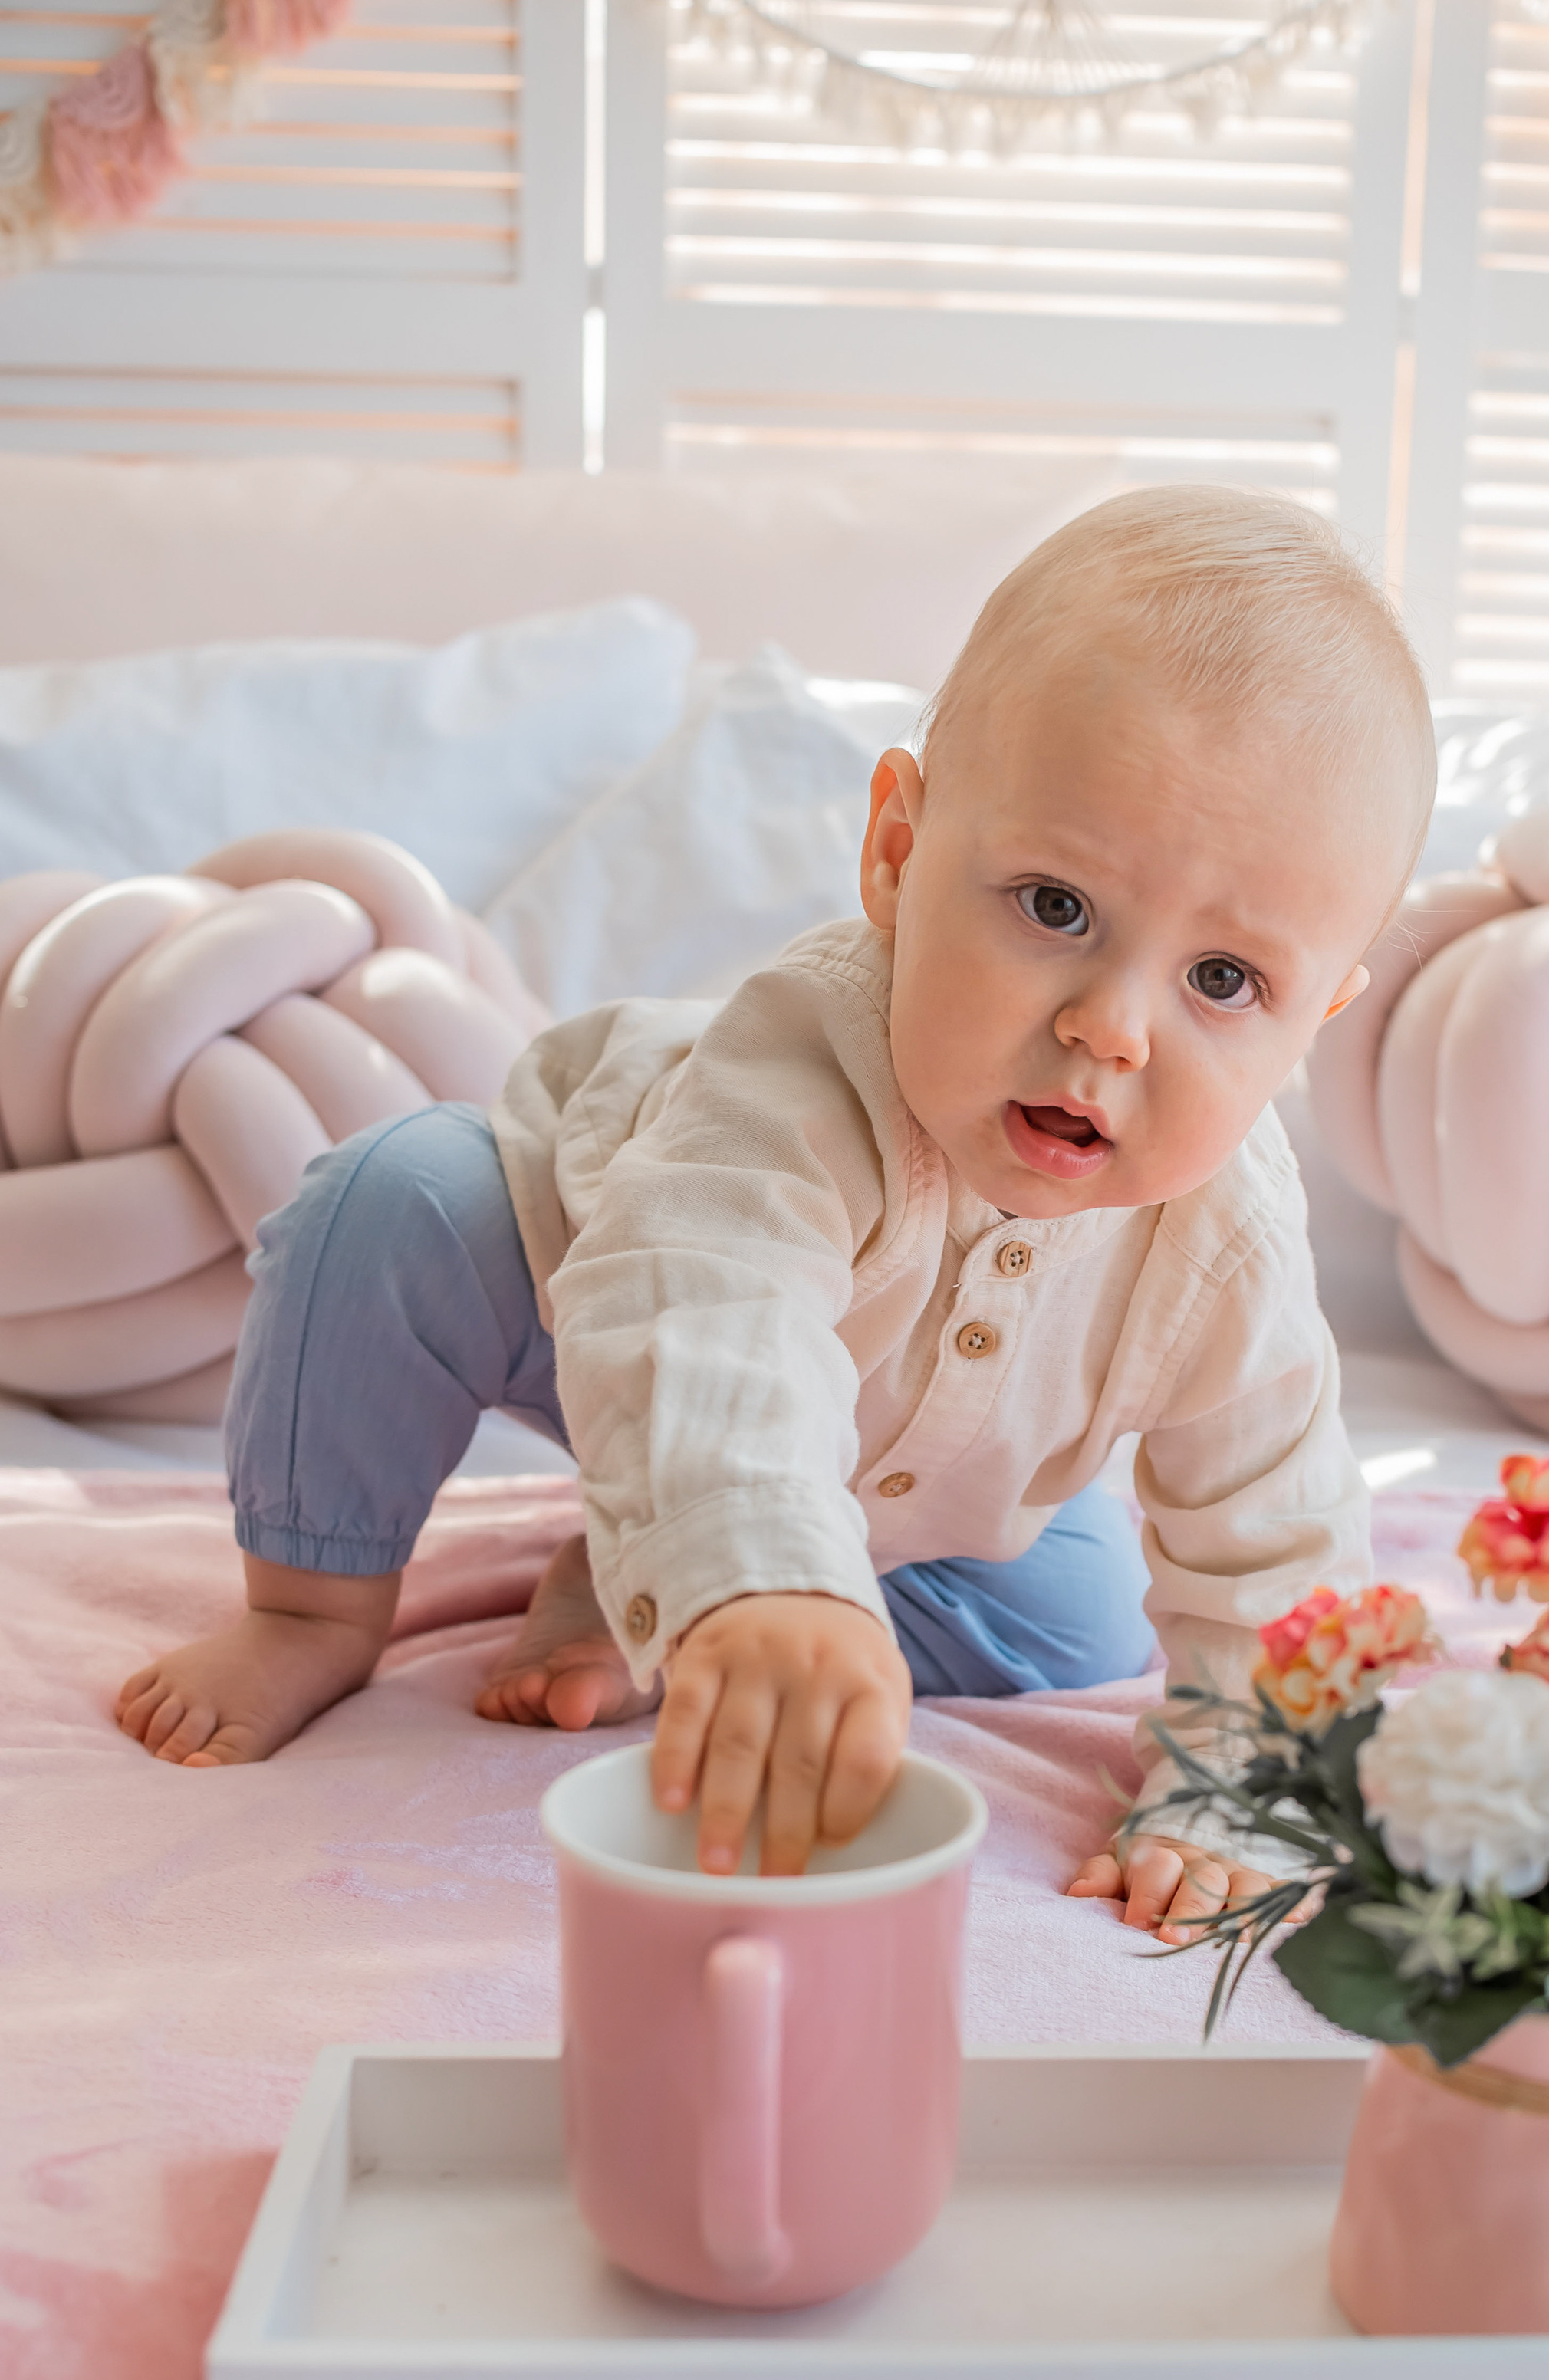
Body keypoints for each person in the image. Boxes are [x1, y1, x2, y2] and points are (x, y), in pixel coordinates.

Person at [115, 487, 1436, 1945]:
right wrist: (762, 1583)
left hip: (919, 1477)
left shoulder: (1227, 1239)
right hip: (599, 1298)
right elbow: (708, 1313)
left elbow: (1280, 1537)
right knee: (389, 1201)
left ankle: (644, 1596)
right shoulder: (802, 1065)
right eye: (1057, 906)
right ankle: (318, 1606)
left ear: (1315, 1017)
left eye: (1227, 982)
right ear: (896, 852)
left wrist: (1237, 1782)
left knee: (1092, 1612)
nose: (1112, 1027)